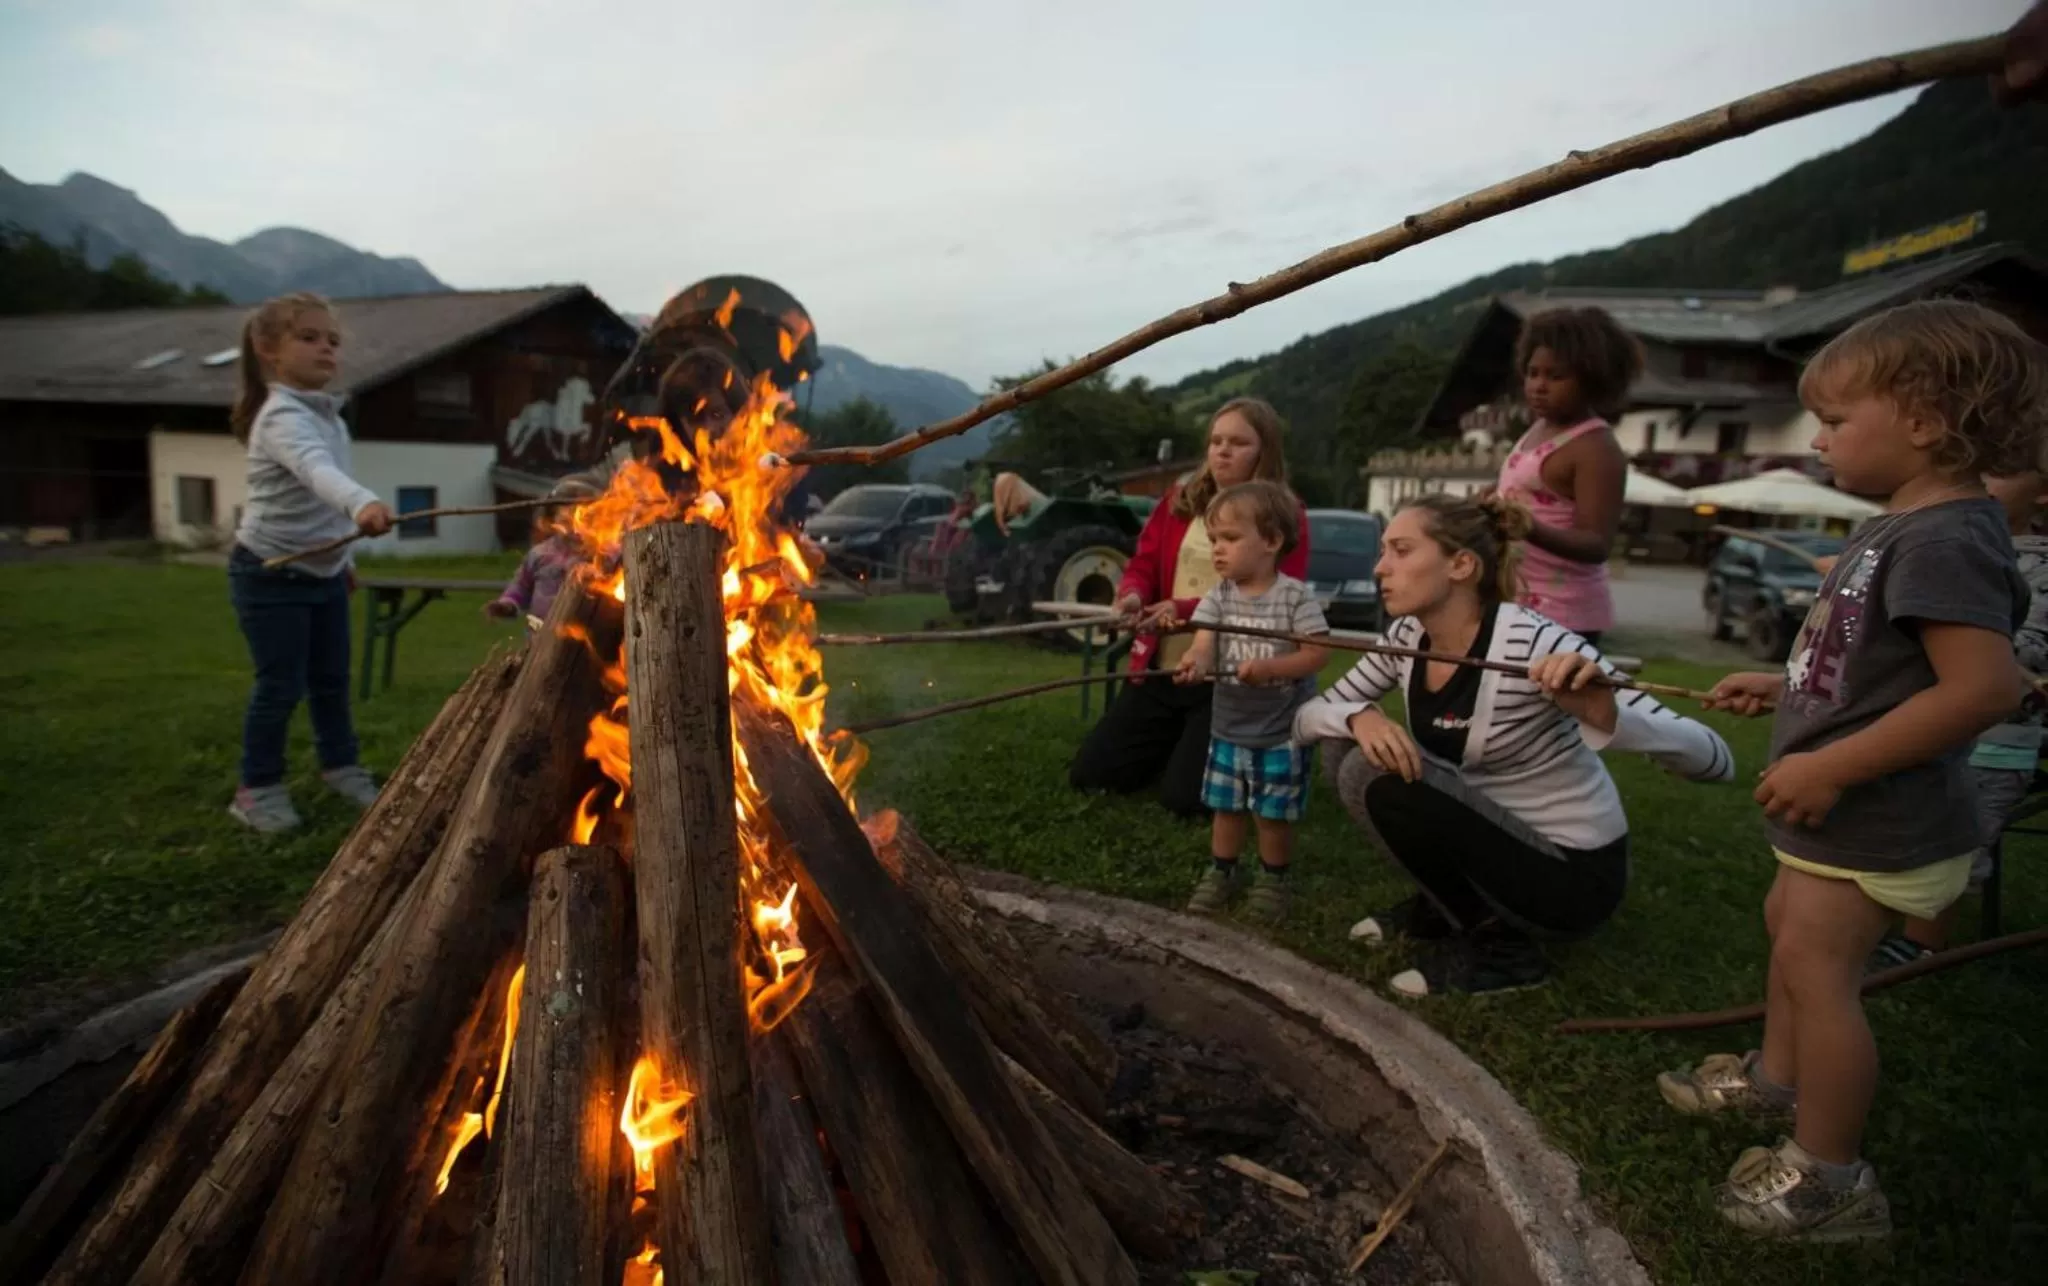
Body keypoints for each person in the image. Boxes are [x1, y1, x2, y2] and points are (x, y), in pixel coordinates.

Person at [1658, 299, 2048, 1242]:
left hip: (1880, 814)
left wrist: (1831, 765)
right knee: (1789, 934)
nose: (1819, 439)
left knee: (1820, 970)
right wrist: (1781, 679)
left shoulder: (1946, 534)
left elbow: (1983, 688)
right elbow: (1873, 663)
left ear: (1923, 420)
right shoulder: (1900, 526)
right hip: (1846, 818)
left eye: (1836, 421)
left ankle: (1830, 1175)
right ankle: (1775, 1084)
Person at [1295, 493, 1733, 996]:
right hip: (1490, 837)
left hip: (1570, 877)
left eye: (1400, 550)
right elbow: (1309, 717)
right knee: (1343, 748)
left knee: (1368, 775)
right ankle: (1448, 907)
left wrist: (1605, 713)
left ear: (1461, 565)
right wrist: (1357, 715)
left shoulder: (1537, 644)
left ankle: (1505, 952)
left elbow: (1715, 759)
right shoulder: (1406, 637)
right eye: (1383, 551)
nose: (1379, 568)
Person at [1068, 398, 1310, 815]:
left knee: (1185, 802)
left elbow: (1269, 598)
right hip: (1162, 669)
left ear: (1264, 451)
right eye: (1216, 440)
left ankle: (1201, 753)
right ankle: (1178, 747)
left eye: (1238, 442)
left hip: (1229, 680)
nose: (1222, 451)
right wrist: (1133, 594)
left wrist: (1179, 608)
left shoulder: (1287, 517)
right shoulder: (1180, 501)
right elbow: (1143, 562)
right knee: (1091, 776)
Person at [225, 293, 394, 833]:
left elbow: (321, 507)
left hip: (323, 574)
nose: (326, 348)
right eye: (309, 337)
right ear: (268, 349)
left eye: (333, 340)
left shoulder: (328, 416)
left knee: (330, 679)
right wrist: (362, 503)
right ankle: (257, 788)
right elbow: (316, 471)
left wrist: (342, 560)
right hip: (270, 572)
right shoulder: (280, 419)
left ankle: (340, 766)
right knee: (280, 685)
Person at [1868, 464, 2048, 969]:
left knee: (1957, 841)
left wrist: (1951, 629)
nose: (1981, 482)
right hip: (1922, 728)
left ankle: (1923, 944)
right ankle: (1884, 923)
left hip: (1996, 741)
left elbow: (2029, 655)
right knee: (1910, 826)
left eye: (2002, 473)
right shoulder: (1934, 541)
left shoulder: (2036, 568)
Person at [1172, 481, 1331, 923]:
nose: (1218, 551)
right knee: (1226, 807)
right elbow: (1204, 643)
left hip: (1280, 733)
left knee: (1271, 814)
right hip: (1229, 729)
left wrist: (1271, 669)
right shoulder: (1218, 596)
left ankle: (1273, 877)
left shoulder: (1295, 596)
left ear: (1272, 541)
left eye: (1230, 539)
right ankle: (1222, 871)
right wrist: (1195, 662)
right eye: (1213, 540)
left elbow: (1318, 653)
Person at [1495, 306, 1640, 645]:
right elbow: (1529, 493)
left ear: (1593, 379)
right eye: (1533, 373)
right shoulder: (1537, 430)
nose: (1538, 387)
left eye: (1556, 376)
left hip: (1563, 616)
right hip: (1515, 602)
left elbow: (1597, 543)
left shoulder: (1595, 448)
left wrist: (1528, 527)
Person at [485, 476, 601, 627]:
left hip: (585, 635)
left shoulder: (600, 555)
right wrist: (507, 604)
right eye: (567, 521)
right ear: (552, 520)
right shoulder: (540, 554)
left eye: (584, 520)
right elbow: (521, 587)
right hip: (540, 635)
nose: (575, 529)